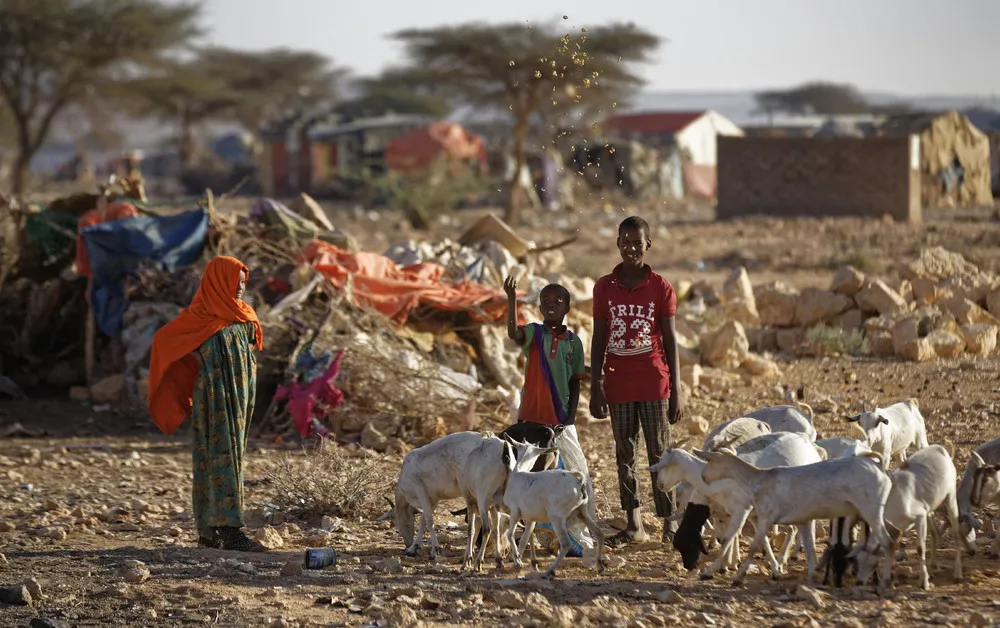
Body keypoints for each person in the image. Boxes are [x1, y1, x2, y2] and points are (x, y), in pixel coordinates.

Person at [148, 256, 265, 552]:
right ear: (218, 281)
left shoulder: (245, 315)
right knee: (214, 455)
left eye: (243, 283)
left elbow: (251, 347)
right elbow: (164, 341)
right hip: (213, 396)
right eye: (235, 283)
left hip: (240, 397)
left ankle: (214, 532)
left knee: (233, 455)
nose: (240, 289)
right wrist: (198, 361)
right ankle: (225, 530)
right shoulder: (198, 317)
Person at [590, 215, 683, 547]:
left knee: (661, 454)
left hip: (654, 383)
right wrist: (595, 387)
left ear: (648, 245)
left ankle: (670, 523)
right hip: (618, 385)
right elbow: (598, 339)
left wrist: (677, 392)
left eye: (637, 242)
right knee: (624, 454)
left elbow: (671, 342)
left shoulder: (661, 287)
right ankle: (634, 524)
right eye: (625, 241)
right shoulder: (604, 287)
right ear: (617, 244)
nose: (631, 248)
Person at [503, 276, 597, 554]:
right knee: (532, 478)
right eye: (545, 302)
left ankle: (578, 538)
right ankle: (542, 535)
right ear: (540, 308)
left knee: (575, 472)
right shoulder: (534, 334)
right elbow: (512, 334)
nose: (551, 305)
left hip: (560, 420)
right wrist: (511, 300)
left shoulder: (573, 343)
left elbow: (576, 381)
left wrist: (569, 418)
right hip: (532, 418)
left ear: (567, 307)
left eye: (558, 301)